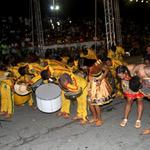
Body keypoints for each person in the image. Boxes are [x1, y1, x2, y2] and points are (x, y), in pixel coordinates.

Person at [87, 59, 112, 126]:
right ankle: (95, 118)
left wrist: (100, 79)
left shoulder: (98, 63)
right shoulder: (87, 67)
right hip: (92, 83)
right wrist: (90, 85)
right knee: (89, 101)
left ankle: (100, 119)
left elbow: (106, 70)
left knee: (96, 103)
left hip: (99, 83)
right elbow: (89, 75)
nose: (83, 68)